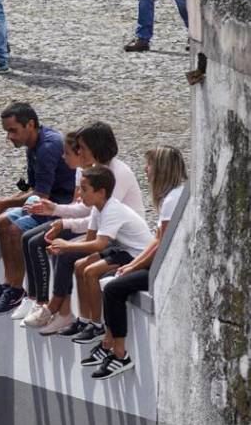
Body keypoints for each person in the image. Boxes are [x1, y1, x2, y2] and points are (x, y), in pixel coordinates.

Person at [19, 122, 146, 330]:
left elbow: (101, 219)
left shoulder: (117, 173)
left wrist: (64, 225)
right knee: (46, 245)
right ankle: (73, 315)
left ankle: (58, 309)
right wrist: (56, 211)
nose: (79, 152)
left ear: (96, 147)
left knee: (66, 254)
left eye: (82, 148)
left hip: (121, 240)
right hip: (107, 233)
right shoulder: (97, 171)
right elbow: (89, 211)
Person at [93, 147, 185, 379]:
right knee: (114, 281)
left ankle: (119, 353)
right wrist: (133, 266)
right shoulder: (174, 195)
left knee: (113, 288)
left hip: (168, 270)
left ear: (161, 169)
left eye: (149, 165)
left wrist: (134, 266)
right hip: (164, 265)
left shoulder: (171, 200)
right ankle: (108, 342)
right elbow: (157, 241)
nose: (145, 169)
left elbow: (161, 246)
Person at [0, 102, 77, 313]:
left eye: (13, 131)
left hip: (60, 206)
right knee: (3, 222)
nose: (9, 137)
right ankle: (9, 284)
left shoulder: (47, 147)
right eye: (7, 132)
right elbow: (33, 189)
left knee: (16, 228)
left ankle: (17, 290)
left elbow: (41, 196)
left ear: (30, 124)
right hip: (47, 202)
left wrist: (3, 202)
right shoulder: (33, 145)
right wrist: (2, 204)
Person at [42, 164, 154, 347]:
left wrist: (67, 245)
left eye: (84, 190)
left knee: (91, 272)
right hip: (123, 249)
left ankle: (97, 325)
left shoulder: (112, 209)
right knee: (79, 266)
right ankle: (84, 320)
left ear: (101, 192)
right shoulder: (97, 208)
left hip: (138, 254)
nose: (80, 195)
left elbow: (100, 244)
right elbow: (90, 240)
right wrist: (63, 248)